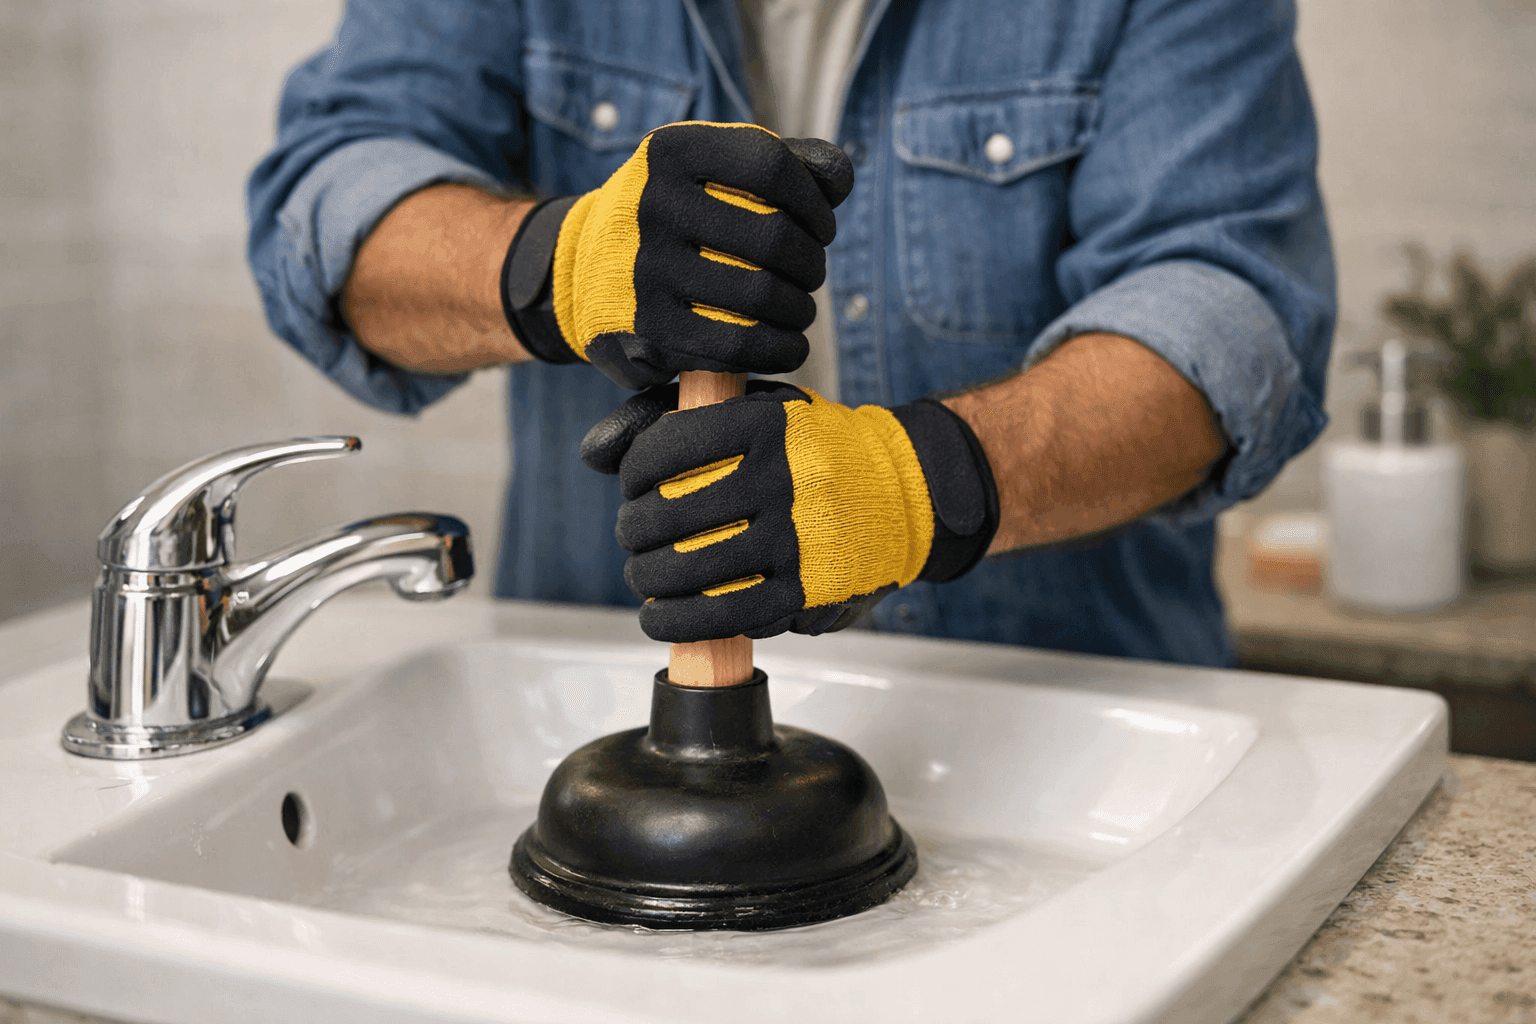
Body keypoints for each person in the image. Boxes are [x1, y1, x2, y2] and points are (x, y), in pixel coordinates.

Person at [247, 0, 1334, 666]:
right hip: (591, 703)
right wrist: (557, 261)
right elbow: (330, 205)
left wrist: (921, 483)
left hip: (1067, 725)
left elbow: (1232, 310)